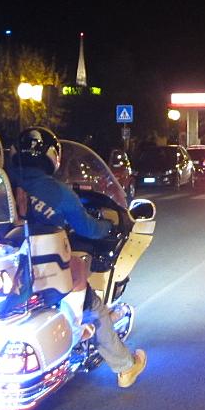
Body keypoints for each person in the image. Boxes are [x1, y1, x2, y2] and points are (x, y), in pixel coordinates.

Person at [11, 126, 147, 389]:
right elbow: (87, 228)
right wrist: (108, 226)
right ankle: (126, 367)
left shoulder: (8, 182)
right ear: (52, 156)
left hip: (13, 272)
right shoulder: (58, 191)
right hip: (47, 270)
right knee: (93, 306)